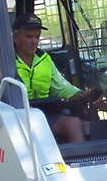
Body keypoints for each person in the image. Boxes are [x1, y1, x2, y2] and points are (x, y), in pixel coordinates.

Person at [12, 13, 100, 143]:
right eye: (29, 36)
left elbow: (62, 87)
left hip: (44, 114)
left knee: (73, 123)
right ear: (15, 37)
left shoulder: (44, 59)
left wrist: (83, 95)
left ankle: (81, 161)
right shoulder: (5, 61)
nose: (34, 41)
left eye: (37, 37)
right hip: (15, 119)